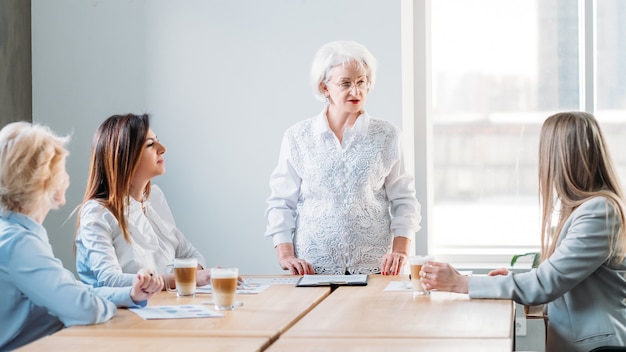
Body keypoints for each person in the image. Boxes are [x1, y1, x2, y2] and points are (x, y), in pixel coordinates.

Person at [420, 111, 626, 351]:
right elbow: (559, 277)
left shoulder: (598, 211)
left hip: (596, 348)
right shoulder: (586, 209)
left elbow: (545, 284)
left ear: (560, 157)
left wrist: (460, 283)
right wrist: (510, 280)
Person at [0, 122, 162, 351]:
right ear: (48, 180)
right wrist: (107, 307)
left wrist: (130, 294)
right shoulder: (19, 243)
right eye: (61, 169)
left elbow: (73, 290)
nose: (67, 176)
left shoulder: (14, 233)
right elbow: (83, 307)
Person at [264, 40, 421, 276]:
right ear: (325, 87)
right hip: (312, 269)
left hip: (376, 268)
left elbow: (405, 201)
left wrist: (400, 251)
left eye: (361, 82)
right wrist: (286, 255)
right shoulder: (298, 136)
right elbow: (281, 202)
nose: (355, 91)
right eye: (345, 83)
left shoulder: (388, 135)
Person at [75, 113, 210, 289]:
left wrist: (193, 276)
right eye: (150, 144)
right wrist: (186, 279)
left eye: (157, 140)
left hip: (164, 308)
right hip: (124, 314)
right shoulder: (97, 213)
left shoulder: (154, 198)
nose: (163, 149)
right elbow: (109, 280)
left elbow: (192, 255)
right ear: (124, 157)